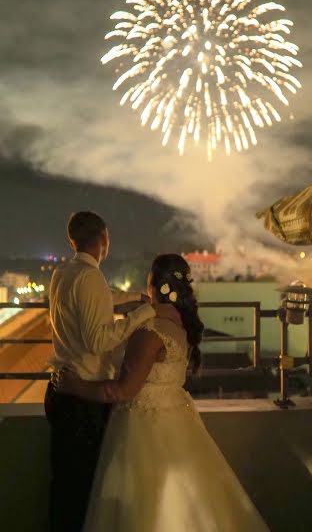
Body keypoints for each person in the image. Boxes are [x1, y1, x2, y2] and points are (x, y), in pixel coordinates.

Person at [56, 253, 270, 532]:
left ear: (153, 287)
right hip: (177, 423)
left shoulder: (150, 332)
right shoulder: (180, 327)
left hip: (141, 431)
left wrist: (74, 385)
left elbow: (122, 390)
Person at [45, 212, 180, 532]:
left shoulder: (62, 272)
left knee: (64, 486)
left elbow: (93, 303)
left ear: (72, 239)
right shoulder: (90, 277)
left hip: (61, 390)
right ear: (104, 239)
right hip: (83, 397)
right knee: (84, 490)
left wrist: (130, 299)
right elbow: (98, 340)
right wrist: (146, 311)